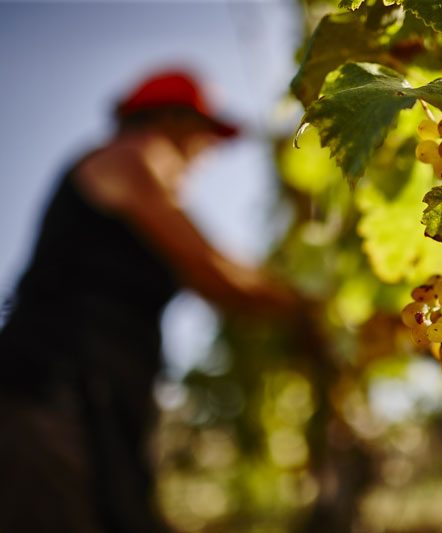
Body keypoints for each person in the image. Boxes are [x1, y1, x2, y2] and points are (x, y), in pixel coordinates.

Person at [0, 70, 300, 532]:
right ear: (173, 121)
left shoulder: (135, 172)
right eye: (206, 134)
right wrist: (307, 307)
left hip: (89, 398)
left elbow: (220, 263)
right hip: (52, 394)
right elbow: (214, 273)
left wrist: (281, 292)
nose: (208, 151)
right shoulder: (138, 156)